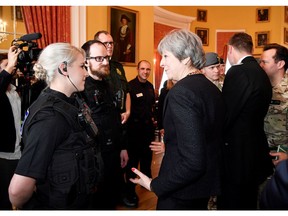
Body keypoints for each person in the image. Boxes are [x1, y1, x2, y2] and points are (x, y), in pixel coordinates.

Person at [129, 29, 225, 210]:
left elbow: (193, 161)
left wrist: (154, 185)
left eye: (166, 56)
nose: (162, 63)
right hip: (203, 188)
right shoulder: (210, 88)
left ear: (186, 58)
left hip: (181, 192)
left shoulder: (181, 93)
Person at [8, 43, 100, 210]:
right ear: (63, 68)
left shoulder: (72, 101)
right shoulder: (50, 118)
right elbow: (17, 191)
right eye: (81, 66)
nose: (86, 73)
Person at [217, 32, 274, 210]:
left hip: (236, 155)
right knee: (249, 202)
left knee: (232, 203)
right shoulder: (262, 73)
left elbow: (226, 114)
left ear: (231, 49)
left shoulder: (238, 72)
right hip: (255, 150)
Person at [81, 40, 127, 209]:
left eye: (106, 57)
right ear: (86, 61)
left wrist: (122, 147)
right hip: (94, 160)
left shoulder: (108, 83)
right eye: (99, 58)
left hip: (113, 155)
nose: (106, 62)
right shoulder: (80, 88)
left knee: (111, 201)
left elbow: (115, 118)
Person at [94, 30, 130, 204]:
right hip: (102, 129)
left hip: (120, 124)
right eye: (105, 43)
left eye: (111, 43)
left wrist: (128, 110)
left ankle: (119, 193)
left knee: (119, 165)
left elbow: (126, 91)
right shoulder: (93, 69)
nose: (109, 46)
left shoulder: (117, 66)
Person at [122, 60, 155, 207]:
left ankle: (146, 182)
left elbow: (151, 108)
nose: (145, 72)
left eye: (148, 69)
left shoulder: (150, 87)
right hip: (134, 133)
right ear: (137, 69)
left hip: (148, 132)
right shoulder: (130, 86)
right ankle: (129, 191)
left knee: (147, 159)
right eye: (142, 69)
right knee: (133, 163)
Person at [260, 43, 288, 165]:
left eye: (264, 62)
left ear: (280, 64)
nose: (260, 66)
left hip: (282, 158)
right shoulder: (260, 88)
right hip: (261, 155)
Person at [0, 48, 21, 210]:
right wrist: (8, 67)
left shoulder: (15, 91)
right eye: (6, 66)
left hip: (20, 152)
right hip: (4, 155)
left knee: (21, 195)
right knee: (4, 199)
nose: (12, 68)